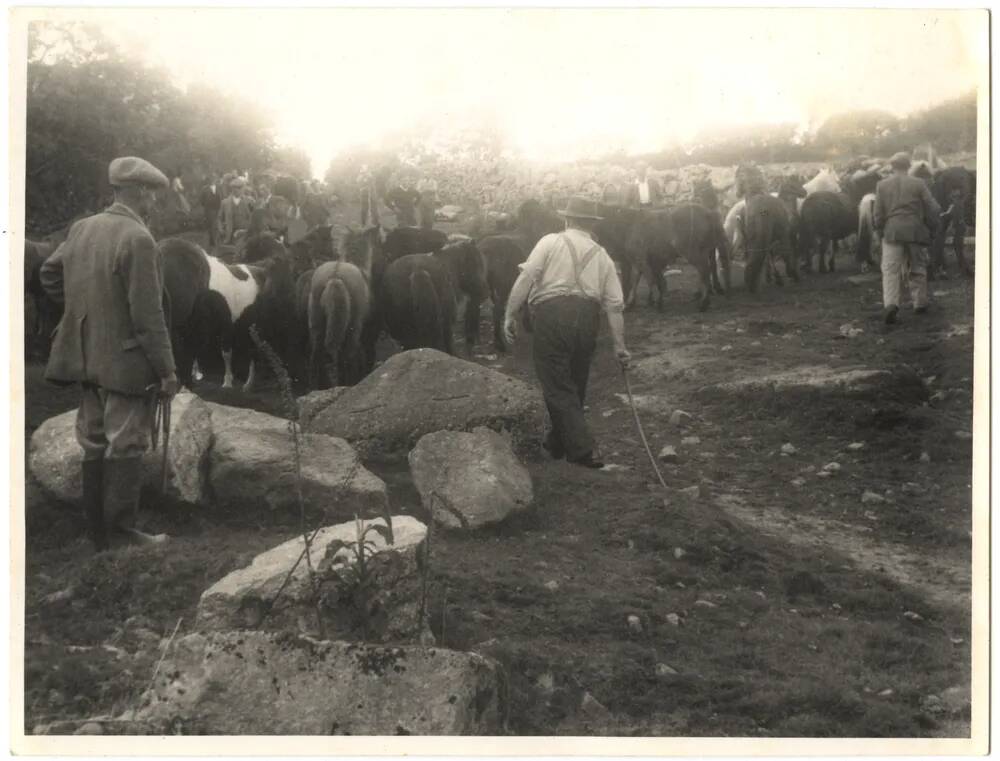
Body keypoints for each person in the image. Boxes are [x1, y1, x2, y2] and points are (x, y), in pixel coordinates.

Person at [40, 156, 179, 551]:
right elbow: (148, 318)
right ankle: (121, 533)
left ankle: (97, 532)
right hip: (126, 361)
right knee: (126, 442)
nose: (154, 202)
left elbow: (49, 273)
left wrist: (80, 315)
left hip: (84, 356)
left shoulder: (82, 229)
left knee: (94, 441)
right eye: (152, 194)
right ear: (138, 192)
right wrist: (167, 371)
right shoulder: (138, 239)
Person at [503, 196, 630, 470]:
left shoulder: (550, 241)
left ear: (567, 219)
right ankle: (557, 443)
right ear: (590, 223)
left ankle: (585, 450)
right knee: (575, 381)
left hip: (552, 315)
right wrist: (619, 345)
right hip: (587, 320)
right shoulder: (602, 254)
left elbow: (526, 278)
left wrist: (509, 313)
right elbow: (615, 305)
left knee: (557, 384)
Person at [874, 151, 942, 324]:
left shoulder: (882, 185)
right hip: (915, 230)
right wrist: (932, 227)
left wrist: (881, 230)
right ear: (909, 166)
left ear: (892, 166)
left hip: (892, 231)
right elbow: (933, 208)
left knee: (890, 270)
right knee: (917, 267)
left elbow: (878, 214)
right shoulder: (918, 183)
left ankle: (890, 304)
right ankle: (919, 303)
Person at [220, 177, 253, 243]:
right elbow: (219, 218)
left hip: (243, 234)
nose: (237, 190)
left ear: (243, 188)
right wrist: (221, 228)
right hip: (228, 235)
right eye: (234, 188)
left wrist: (247, 230)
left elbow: (252, 217)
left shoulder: (249, 202)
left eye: (239, 188)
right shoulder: (225, 202)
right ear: (232, 189)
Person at [199, 175, 223, 247]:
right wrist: (206, 205)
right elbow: (201, 199)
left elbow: (221, 196)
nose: (212, 181)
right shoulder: (204, 189)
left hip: (218, 208)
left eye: (214, 179)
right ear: (208, 180)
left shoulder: (218, 187)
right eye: (211, 179)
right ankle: (213, 241)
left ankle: (214, 240)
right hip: (209, 209)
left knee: (216, 223)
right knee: (212, 224)